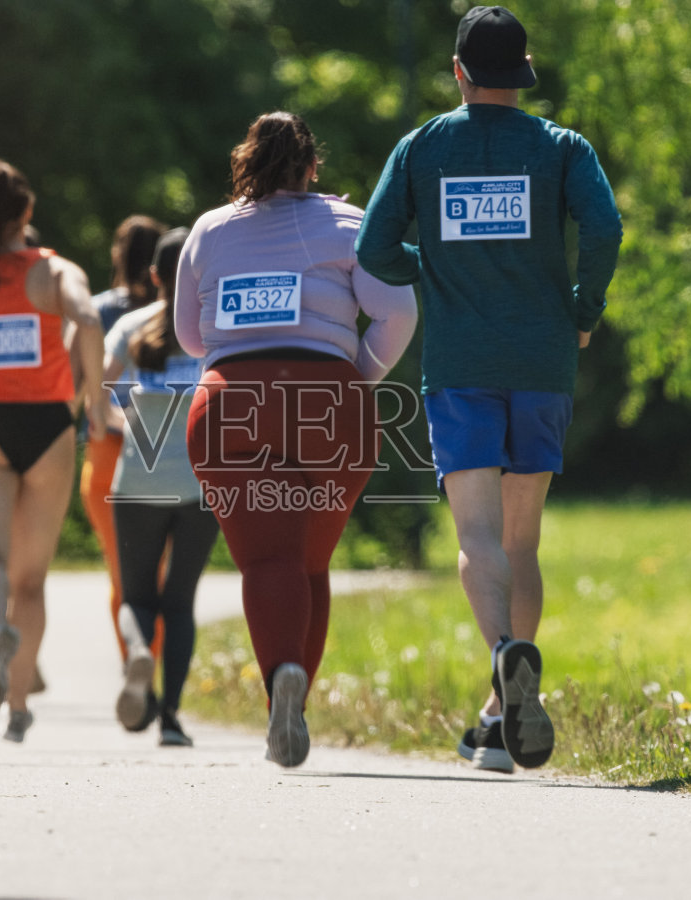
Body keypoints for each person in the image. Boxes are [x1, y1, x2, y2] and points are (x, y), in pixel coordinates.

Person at [354, 6, 623, 773]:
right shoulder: (562, 147)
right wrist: (583, 311)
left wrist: (433, 263)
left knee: (475, 537)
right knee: (521, 542)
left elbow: (374, 248)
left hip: (462, 368)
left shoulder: (421, 147)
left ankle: (506, 657)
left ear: (459, 72)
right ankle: (503, 716)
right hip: (543, 364)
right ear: (524, 73)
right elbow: (604, 229)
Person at [176, 112, 417, 767]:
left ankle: (281, 675)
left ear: (244, 164)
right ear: (313, 167)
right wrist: (354, 375)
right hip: (331, 406)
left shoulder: (209, 229)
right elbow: (399, 310)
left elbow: (191, 339)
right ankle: (297, 696)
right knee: (309, 560)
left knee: (267, 561)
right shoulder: (350, 222)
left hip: (231, 406)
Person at [0, 158, 108, 742]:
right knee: (31, 581)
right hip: (47, 425)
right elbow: (89, 319)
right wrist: (92, 401)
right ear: (27, 212)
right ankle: (16, 708)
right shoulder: (54, 270)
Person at [104, 227, 216, 747]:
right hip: (201, 484)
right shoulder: (213, 329)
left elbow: (99, 397)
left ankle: (138, 654)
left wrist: (125, 422)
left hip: (137, 482)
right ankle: (170, 718)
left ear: (153, 275)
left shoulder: (130, 326)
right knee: (180, 602)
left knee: (136, 597)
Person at [81, 214, 167, 671]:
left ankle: (135, 661)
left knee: (124, 571)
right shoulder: (174, 317)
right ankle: (154, 665)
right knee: (162, 571)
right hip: (167, 450)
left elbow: (85, 389)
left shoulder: (96, 313)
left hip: (107, 452)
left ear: (118, 255)